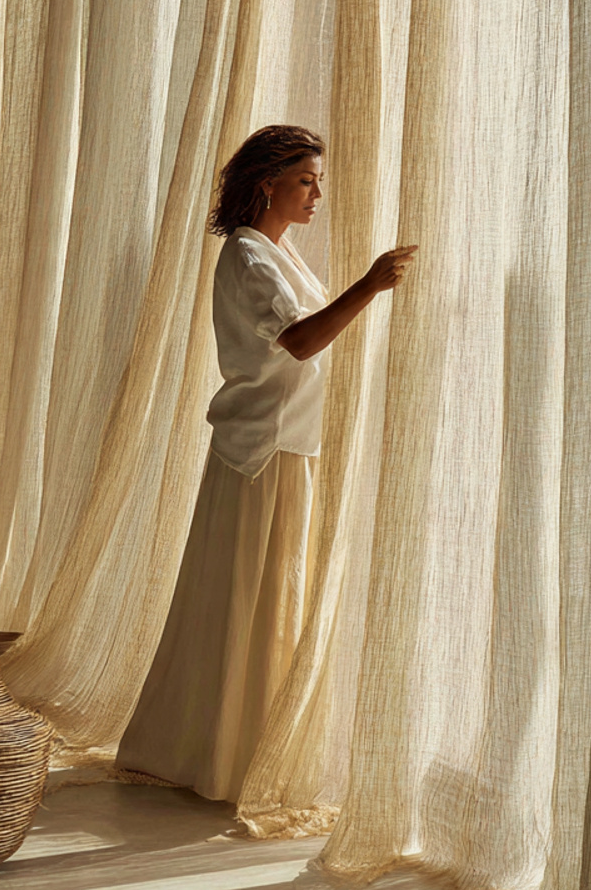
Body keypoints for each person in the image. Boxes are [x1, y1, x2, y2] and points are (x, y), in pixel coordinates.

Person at [116, 123, 416, 801]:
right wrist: (369, 285)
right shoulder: (251, 258)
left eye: (317, 179)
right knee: (248, 605)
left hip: (282, 446)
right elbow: (302, 341)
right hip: (261, 451)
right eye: (306, 179)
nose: (318, 193)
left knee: (260, 604)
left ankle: (242, 751)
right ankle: (225, 760)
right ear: (267, 185)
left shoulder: (278, 253)